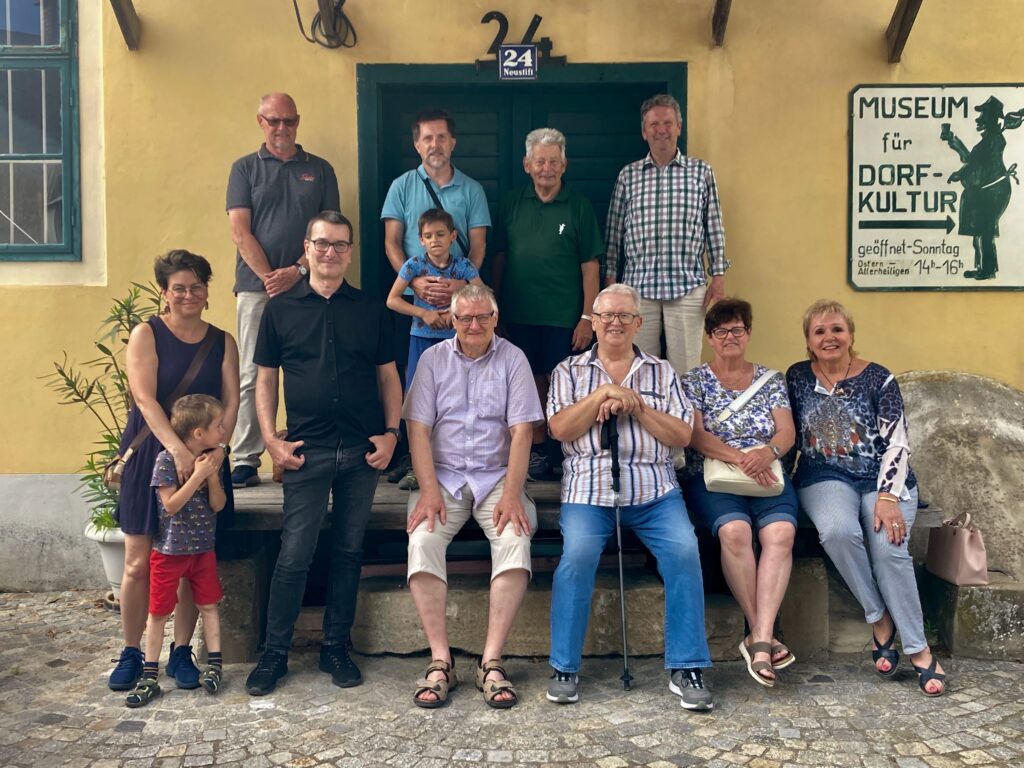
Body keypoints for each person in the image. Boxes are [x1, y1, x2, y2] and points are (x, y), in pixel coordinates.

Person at [245, 211, 402, 696]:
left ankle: (336, 646)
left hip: (360, 451)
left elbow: (389, 377)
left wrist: (392, 433)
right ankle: (275, 653)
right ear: (307, 248)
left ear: (350, 252)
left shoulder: (371, 309)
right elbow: (266, 379)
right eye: (322, 244)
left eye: (339, 245)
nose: (330, 252)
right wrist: (269, 439)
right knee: (294, 554)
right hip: (304, 451)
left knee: (349, 552)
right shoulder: (281, 309)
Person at [546, 283, 713, 710]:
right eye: (606, 316)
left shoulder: (663, 371)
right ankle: (564, 666)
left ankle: (687, 665)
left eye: (624, 316)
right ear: (594, 322)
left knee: (683, 552)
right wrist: (602, 395)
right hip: (589, 489)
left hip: (654, 490)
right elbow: (560, 429)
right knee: (578, 556)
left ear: (639, 323)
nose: (615, 323)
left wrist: (637, 407)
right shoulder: (568, 371)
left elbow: (684, 434)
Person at [786, 299, 946, 697]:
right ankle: (879, 618)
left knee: (888, 545)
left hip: (882, 477)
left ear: (851, 335)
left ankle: (918, 648)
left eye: (837, 329)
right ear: (808, 340)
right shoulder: (796, 377)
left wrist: (888, 496)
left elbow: (897, 442)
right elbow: (787, 433)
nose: (829, 337)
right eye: (819, 331)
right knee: (838, 531)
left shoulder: (879, 378)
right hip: (823, 473)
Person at [404, 284, 543, 709]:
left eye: (483, 317)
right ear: (453, 320)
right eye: (464, 318)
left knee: (515, 538)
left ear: (495, 319)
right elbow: (418, 429)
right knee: (423, 540)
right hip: (442, 477)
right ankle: (440, 660)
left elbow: (523, 431)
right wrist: (428, 490)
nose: (474, 325)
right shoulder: (432, 360)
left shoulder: (513, 358)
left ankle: (491, 660)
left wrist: (513, 493)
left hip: (496, 476)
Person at [109, 250, 240, 693]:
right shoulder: (146, 334)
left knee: (190, 558)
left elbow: (232, 400)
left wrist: (217, 451)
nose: (188, 294)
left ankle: (182, 651)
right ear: (165, 294)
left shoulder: (223, 341)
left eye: (196, 287)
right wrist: (176, 450)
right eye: (179, 288)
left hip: (205, 460)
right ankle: (132, 651)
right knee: (137, 562)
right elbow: (144, 399)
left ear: (206, 292)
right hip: (152, 454)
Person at [680, 299, 797, 688]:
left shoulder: (770, 379)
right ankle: (761, 633)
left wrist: (767, 453)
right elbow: (694, 435)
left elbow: (786, 431)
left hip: (767, 474)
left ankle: (759, 638)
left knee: (781, 534)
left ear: (748, 333)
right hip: (714, 475)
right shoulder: (693, 380)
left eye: (737, 330)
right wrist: (740, 457)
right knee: (735, 532)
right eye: (721, 331)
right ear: (710, 337)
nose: (730, 337)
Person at [226, 92, 340, 488]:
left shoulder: (320, 170)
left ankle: (302, 451)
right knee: (253, 372)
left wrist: (296, 270)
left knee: (308, 368)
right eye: (273, 121)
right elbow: (240, 230)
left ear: (298, 121)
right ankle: (245, 457)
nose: (281, 128)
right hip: (256, 288)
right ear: (260, 121)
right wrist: (271, 278)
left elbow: (329, 231)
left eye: (288, 120)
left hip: (310, 284)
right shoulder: (244, 169)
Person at [380, 109, 491, 485]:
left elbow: (478, 247)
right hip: (419, 311)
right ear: (417, 144)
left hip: (461, 311)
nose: (435, 144)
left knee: (461, 388)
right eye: (427, 138)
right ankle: (416, 459)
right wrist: (415, 284)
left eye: (441, 137)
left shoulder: (472, 190)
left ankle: (456, 459)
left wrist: (463, 288)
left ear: (453, 142)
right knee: (418, 388)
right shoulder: (401, 186)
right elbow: (391, 243)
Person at [492, 128, 603, 480]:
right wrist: (497, 309)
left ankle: (566, 451)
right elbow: (499, 258)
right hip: (518, 315)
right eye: (540, 161)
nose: (547, 168)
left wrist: (588, 316)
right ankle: (538, 451)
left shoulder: (580, 206)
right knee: (528, 383)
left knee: (564, 383)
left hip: (564, 318)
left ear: (564, 164)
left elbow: (591, 267)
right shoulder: (511, 202)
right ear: (527, 164)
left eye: (554, 161)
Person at [604, 94, 728, 376]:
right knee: (639, 368)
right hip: (639, 288)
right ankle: (645, 420)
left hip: (687, 286)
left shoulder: (701, 172)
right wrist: (611, 283)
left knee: (686, 368)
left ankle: (685, 421)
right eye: (654, 124)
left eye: (668, 123)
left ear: (679, 127)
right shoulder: (629, 175)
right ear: (644, 131)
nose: (662, 129)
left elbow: (714, 226)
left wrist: (718, 275)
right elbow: (613, 233)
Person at [125, 395, 229, 707]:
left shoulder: (211, 460)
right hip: (169, 553)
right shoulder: (165, 462)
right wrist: (196, 475)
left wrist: (210, 477)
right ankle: (149, 674)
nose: (224, 430)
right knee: (158, 612)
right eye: (218, 426)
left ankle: (215, 664)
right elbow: (169, 506)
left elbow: (218, 505)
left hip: (202, 550)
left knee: (209, 605)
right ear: (199, 433)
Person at [385, 208, 483, 395]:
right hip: (421, 336)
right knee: (419, 391)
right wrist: (423, 313)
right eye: (428, 236)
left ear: (452, 235)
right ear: (421, 240)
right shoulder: (414, 265)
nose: (434, 240)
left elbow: (484, 296)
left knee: (456, 390)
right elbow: (392, 300)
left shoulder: (464, 266)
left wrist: (455, 312)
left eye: (440, 234)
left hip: (456, 338)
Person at [940, 96, 1022, 281]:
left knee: (985, 232)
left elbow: (978, 163)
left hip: (994, 191)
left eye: (983, 114)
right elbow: (972, 160)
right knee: (979, 232)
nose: (979, 119)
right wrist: (953, 141)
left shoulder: (994, 140)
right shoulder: (988, 139)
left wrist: (961, 173)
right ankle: (981, 267)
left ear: (991, 117)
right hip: (986, 191)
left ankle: (988, 270)